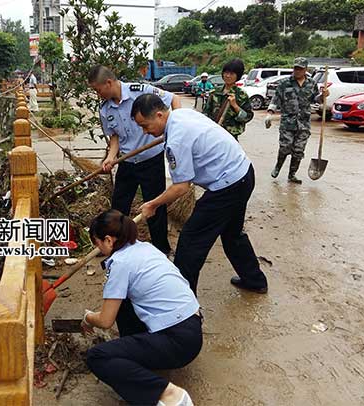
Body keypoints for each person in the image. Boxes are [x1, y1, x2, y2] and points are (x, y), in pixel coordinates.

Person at [131, 94, 268, 295]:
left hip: (227, 186)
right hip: (244, 173)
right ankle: (255, 281)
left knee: (190, 241)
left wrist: (153, 204)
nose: (145, 132)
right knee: (232, 234)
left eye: (145, 126)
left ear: (159, 115)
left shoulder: (176, 140)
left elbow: (181, 187)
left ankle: (182, 303)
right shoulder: (181, 114)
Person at [83, 209, 202, 406]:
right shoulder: (145, 248)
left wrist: (87, 318)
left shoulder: (120, 263)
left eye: (97, 243)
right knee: (124, 301)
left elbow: (105, 320)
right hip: (192, 326)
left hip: (178, 342)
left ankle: (169, 394)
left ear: (109, 240)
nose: (98, 249)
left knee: (97, 356)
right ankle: (135, 359)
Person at [88, 65, 181, 255]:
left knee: (155, 205)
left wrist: (176, 129)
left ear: (108, 82)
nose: (98, 94)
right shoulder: (105, 109)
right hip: (127, 162)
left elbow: (174, 99)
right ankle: (115, 246)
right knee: (118, 207)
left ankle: (162, 249)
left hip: (150, 160)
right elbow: (114, 136)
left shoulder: (141, 92)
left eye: (98, 90)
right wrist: (111, 157)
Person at [265, 57, 329, 184]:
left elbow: (315, 99)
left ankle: (292, 174)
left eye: (300, 69)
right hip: (288, 122)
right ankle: (278, 167)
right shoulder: (284, 83)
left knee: (299, 151)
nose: (297, 71)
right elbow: (275, 99)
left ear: (305, 69)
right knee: (285, 147)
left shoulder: (311, 83)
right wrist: (269, 113)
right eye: (295, 68)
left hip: (304, 123)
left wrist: (323, 96)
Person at [203, 59, 253, 141]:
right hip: (213, 134)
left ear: (238, 76)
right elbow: (206, 112)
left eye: (232, 74)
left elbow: (247, 117)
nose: (228, 76)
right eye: (226, 72)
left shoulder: (241, 95)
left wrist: (235, 106)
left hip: (230, 136)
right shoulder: (215, 92)